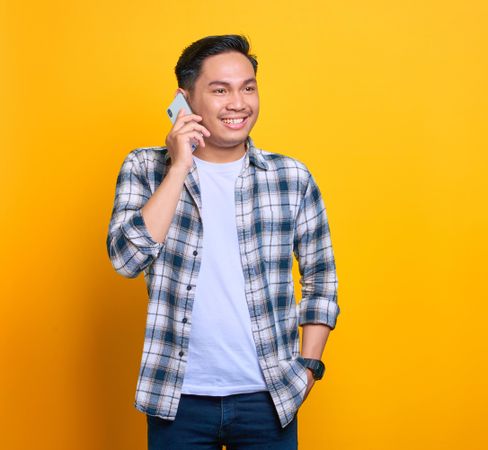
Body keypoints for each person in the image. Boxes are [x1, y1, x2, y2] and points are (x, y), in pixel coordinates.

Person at [105, 34, 340, 450]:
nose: (239, 103)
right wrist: (179, 166)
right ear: (185, 100)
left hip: (269, 397)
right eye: (220, 90)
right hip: (177, 397)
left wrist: (308, 368)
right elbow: (126, 260)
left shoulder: (291, 177)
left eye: (248, 87)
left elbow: (321, 278)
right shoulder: (144, 167)